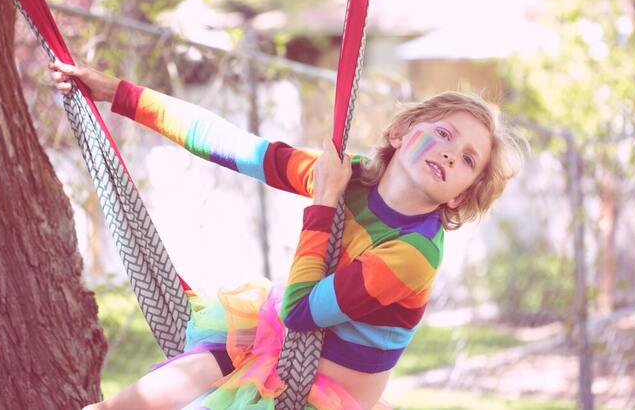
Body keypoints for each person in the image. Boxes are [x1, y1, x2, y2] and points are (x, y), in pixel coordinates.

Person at [50, 60, 526, 410]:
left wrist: (323, 202)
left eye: (468, 160)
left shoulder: (412, 256)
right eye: (443, 134)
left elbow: (301, 312)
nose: (449, 154)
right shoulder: (350, 177)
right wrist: (116, 93)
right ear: (401, 133)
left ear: (460, 197)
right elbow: (235, 146)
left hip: (319, 395)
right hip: (269, 350)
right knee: (132, 402)